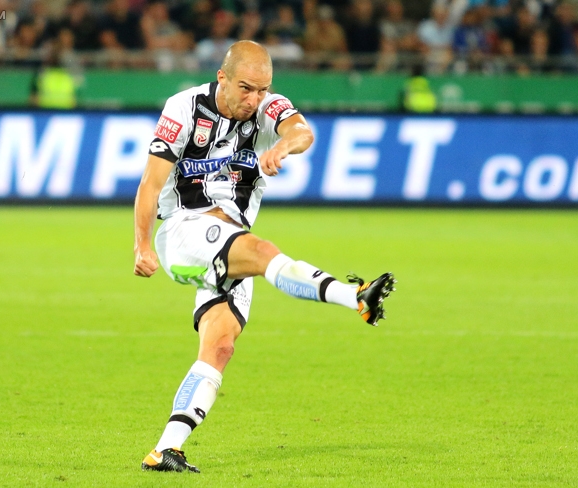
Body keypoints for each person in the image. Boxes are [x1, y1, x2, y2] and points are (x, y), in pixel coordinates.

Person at [133, 40, 396, 473]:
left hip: (229, 239)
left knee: (219, 346)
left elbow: (303, 131)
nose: (254, 99)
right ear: (222, 78)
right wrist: (142, 243)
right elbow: (150, 183)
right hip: (183, 230)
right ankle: (356, 298)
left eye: (262, 90)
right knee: (262, 252)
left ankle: (166, 451)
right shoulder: (183, 108)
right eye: (246, 88)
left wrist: (285, 147)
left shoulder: (267, 107)